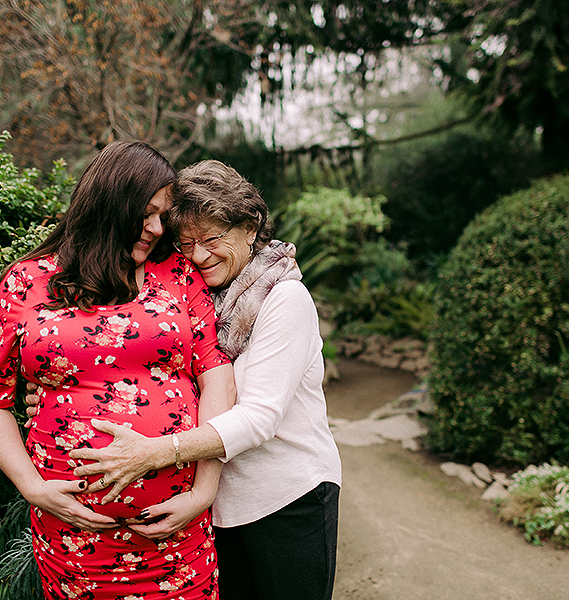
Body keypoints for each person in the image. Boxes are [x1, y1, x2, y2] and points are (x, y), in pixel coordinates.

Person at [31, 159, 343, 600]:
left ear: (250, 228)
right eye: (186, 242)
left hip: (286, 499)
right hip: (217, 508)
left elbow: (259, 417)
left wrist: (153, 453)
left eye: (212, 239)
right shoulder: (197, 297)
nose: (198, 255)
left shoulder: (283, 299)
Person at [0, 142, 236, 599]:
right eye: (145, 213)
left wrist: (203, 491)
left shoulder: (176, 275)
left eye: (162, 216)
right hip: (72, 536)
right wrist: (31, 486)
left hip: (175, 529)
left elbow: (216, 375)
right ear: (110, 203)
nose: (155, 228)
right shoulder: (26, 283)